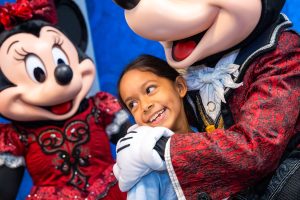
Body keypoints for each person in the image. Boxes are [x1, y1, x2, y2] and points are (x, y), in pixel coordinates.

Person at [112, 0, 300, 199]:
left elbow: (258, 149)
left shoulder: (281, 52)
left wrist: (161, 148)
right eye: (132, 104)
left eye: (150, 90)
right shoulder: (192, 71)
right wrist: (141, 140)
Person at [0, 0, 129, 199]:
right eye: (39, 73)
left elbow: (136, 152)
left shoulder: (100, 107)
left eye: (61, 61)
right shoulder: (16, 137)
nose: (61, 74)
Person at [115, 54, 193, 200]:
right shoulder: (147, 170)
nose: (144, 106)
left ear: (180, 87)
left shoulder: (207, 133)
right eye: (133, 104)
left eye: (149, 90)